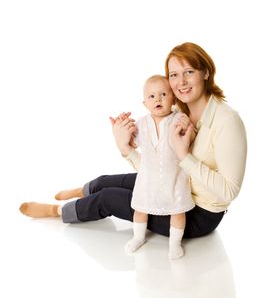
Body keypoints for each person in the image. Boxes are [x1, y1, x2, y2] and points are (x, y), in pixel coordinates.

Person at [19, 42, 247, 250]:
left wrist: (184, 155)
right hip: (172, 182)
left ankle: (56, 211)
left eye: (189, 72)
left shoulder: (227, 122)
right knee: (106, 182)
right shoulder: (178, 113)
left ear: (206, 72)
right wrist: (126, 148)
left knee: (109, 197)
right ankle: (80, 191)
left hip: (197, 213)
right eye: (174, 75)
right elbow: (156, 166)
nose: (181, 82)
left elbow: (230, 190)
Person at [122, 74, 195, 259]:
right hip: (147, 178)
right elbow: (132, 143)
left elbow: (189, 139)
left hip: (174, 177)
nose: (158, 99)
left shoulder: (178, 118)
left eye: (163, 94)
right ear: (145, 102)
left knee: (178, 212)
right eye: (152, 97)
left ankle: (175, 244)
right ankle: (138, 237)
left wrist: (188, 127)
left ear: (173, 98)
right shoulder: (141, 124)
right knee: (140, 209)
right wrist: (124, 131)